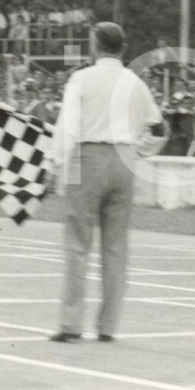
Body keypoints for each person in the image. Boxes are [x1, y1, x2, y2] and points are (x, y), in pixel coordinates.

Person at [48, 22, 164, 343]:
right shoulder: (135, 83)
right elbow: (158, 128)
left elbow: (68, 128)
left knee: (77, 243)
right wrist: (136, 151)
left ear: (95, 45)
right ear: (122, 48)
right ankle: (108, 325)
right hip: (123, 160)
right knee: (116, 247)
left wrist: (57, 164)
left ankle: (71, 323)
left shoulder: (81, 78)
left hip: (87, 157)